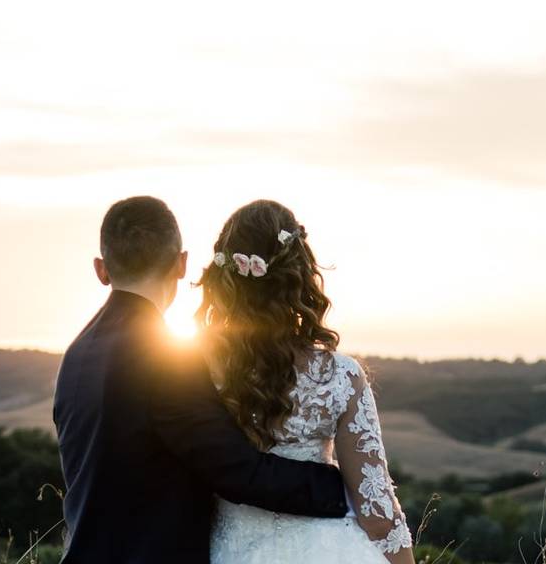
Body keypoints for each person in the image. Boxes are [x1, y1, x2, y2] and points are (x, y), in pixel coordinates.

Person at [52, 196, 349, 564]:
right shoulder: (163, 356)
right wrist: (343, 486)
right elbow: (238, 471)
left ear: (101, 269)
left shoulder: (76, 354)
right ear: (181, 264)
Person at [197, 199, 415, 564]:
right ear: (299, 274)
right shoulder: (340, 376)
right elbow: (376, 510)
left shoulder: (193, 371)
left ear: (224, 277)